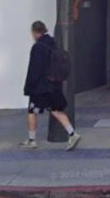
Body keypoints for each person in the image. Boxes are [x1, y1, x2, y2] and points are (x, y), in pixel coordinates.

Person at [19, 21, 81, 150]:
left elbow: (34, 69)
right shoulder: (53, 43)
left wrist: (29, 87)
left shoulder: (38, 47)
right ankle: (72, 134)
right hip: (54, 85)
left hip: (40, 88)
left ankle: (32, 140)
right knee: (56, 110)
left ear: (35, 32)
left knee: (32, 111)